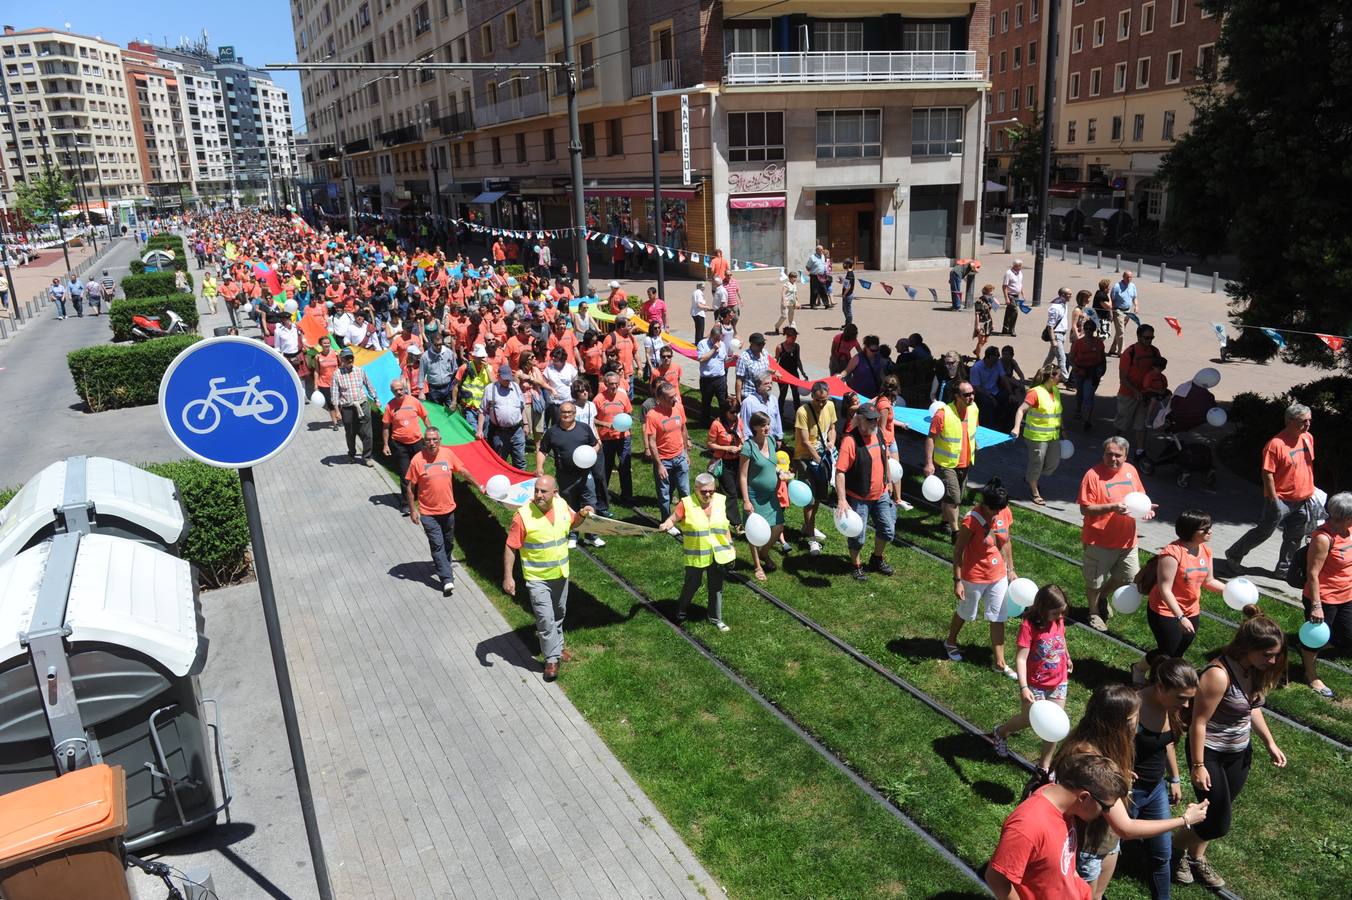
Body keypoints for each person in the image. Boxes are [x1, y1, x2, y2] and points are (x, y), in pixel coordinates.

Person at [1051, 684, 1210, 900]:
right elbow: (1126, 827)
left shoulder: (1102, 745)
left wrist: (1120, 774)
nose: (1140, 721)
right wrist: (1185, 819)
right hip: (1088, 846)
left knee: (1097, 896)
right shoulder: (1090, 760)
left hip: (1105, 840)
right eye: (1136, 715)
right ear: (1120, 722)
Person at [1175, 607, 1287, 889]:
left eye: (1275, 654)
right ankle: (1174, 848)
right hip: (1210, 752)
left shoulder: (1255, 670)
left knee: (1216, 809)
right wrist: (1198, 766)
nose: (1272, 660)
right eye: (1267, 654)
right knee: (1217, 821)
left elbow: (1252, 709)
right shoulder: (1218, 675)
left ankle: (1196, 858)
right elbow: (1198, 723)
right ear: (1249, 648)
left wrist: (1269, 742)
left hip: (1239, 752)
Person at [985, 753, 1128, 900]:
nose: (1106, 813)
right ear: (1084, 797)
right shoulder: (1027, 826)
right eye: (1105, 807)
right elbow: (996, 879)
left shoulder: (1065, 806)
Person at [502, 475, 593, 681]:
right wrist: (509, 577)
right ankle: (551, 660)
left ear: (555, 493)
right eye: (536, 490)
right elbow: (510, 546)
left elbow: (573, 522)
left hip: (561, 574)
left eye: (543, 491)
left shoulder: (561, 505)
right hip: (537, 579)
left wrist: (581, 513)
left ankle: (558, 648)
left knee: (558, 615)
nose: (538, 495)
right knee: (545, 619)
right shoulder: (523, 516)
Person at [1131, 510, 1227, 684]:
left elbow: (1209, 580)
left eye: (1210, 527)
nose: (1210, 532)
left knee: (1177, 652)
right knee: (1167, 652)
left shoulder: (1205, 550)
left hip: (1191, 610)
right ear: (1190, 530)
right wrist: (1180, 617)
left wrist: (1229, 591)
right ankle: (1142, 672)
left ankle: (1157, 678)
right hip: (1165, 610)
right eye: (1204, 529)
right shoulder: (1172, 553)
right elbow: (1164, 589)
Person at [1223, 402, 1317, 579]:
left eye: (1309, 421)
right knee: (1263, 532)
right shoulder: (1275, 444)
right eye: (1303, 421)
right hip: (1280, 500)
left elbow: (1307, 466)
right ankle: (1234, 555)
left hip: (1304, 499)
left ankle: (1284, 570)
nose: (1308, 424)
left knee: (1295, 537)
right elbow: (1267, 474)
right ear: (1290, 421)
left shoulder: (1308, 438)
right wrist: (1274, 500)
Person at [1132, 657, 1201, 900]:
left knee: (1162, 855)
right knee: (1105, 851)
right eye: (1181, 698)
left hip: (1155, 789)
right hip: (1127, 791)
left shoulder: (1169, 708)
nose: (1186, 705)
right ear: (1161, 688)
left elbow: (1167, 742)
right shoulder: (1133, 709)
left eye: (1190, 698)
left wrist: (1174, 778)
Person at [992, 584, 1072, 771]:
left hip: (1059, 681)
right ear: (1043, 609)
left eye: (1062, 613)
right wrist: (1024, 687)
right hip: (1036, 684)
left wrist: (1066, 656)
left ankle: (1044, 765)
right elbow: (1021, 658)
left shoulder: (1058, 621)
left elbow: (1061, 638)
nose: (1060, 617)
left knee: (1054, 724)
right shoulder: (1028, 626)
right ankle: (1001, 732)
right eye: (1055, 613)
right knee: (1028, 719)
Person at [945, 477, 1017, 677]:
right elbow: (958, 550)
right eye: (994, 510)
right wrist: (957, 581)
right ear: (984, 504)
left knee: (998, 616)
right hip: (974, 576)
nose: (997, 514)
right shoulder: (971, 520)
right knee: (966, 612)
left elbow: (1006, 541)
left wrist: (1010, 568)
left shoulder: (1004, 511)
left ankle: (1000, 662)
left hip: (998, 574)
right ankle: (950, 641)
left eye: (1000, 509)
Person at [1079, 436, 1152, 631]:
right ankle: (1093, 613)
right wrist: (1112, 507)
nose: (1113, 459)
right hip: (1099, 540)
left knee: (1128, 577)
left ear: (1126, 456)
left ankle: (1103, 597)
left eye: (1118, 455)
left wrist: (1146, 509)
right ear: (1103, 454)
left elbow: (1140, 497)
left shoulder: (1131, 471)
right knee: (1094, 581)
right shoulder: (1092, 475)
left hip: (1128, 540)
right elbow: (1085, 509)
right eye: (1108, 454)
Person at [657, 473, 734, 631]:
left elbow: (724, 525)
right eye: (703, 491)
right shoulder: (686, 503)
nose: (707, 494)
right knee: (692, 584)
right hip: (696, 554)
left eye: (710, 491)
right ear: (696, 489)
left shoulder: (720, 501)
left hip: (718, 553)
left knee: (716, 586)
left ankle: (715, 618)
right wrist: (666, 524)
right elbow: (673, 519)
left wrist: (730, 545)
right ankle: (681, 610)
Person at [405, 427, 470, 597]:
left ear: (440, 440)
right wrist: (413, 510)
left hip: (448, 510)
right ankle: (447, 579)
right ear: (424, 441)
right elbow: (410, 488)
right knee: (437, 544)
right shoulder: (417, 460)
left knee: (448, 543)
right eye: (428, 440)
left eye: (435, 439)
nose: (432, 443)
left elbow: (462, 470)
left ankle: (444, 566)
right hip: (428, 513)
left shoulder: (448, 454)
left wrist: (479, 485)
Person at [1300, 491, 1352, 698]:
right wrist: (1316, 605)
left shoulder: (1350, 530)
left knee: (1347, 637)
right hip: (1324, 598)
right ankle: (1310, 675)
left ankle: (1305, 649)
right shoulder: (1323, 538)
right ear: (1347, 517)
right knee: (1315, 641)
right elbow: (1313, 574)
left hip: (1346, 594)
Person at [835, 404, 895, 581]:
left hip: (881, 493)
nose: (874, 422)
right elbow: (840, 472)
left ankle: (876, 559)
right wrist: (842, 500)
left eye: (875, 418)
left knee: (887, 529)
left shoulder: (878, 433)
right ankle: (856, 565)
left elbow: (885, 458)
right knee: (857, 537)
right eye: (870, 419)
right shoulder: (850, 441)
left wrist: (889, 481)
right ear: (859, 419)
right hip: (859, 497)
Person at [537, 400, 607, 547]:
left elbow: (596, 444)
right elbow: (543, 450)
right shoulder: (552, 432)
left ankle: (591, 536)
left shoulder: (584, 428)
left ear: (575, 414)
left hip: (585, 474)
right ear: (559, 413)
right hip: (565, 475)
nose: (566, 415)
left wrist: (591, 453)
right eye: (563, 412)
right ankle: (572, 534)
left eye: (569, 412)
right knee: (569, 505)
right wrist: (539, 467)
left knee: (589, 504)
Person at [740, 410, 791, 581]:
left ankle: (764, 552)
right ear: (755, 427)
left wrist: (780, 472)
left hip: (771, 494)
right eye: (763, 425)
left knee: (778, 526)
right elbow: (743, 476)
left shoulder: (770, 441)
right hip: (754, 495)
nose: (767, 428)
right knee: (754, 532)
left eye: (768, 424)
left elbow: (772, 465)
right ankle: (757, 566)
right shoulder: (748, 447)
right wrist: (746, 501)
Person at [925, 381, 980, 538]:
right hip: (946, 464)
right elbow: (930, 438)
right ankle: (956, 532)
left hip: (965, 463)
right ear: (957, 396)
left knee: (952, 497)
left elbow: (972, 429)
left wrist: (975, 443)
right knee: (954, 499)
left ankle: (944, 522)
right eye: (967, 395)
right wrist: (929, 463)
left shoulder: (974, 409)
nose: (971, 397)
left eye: (972, 393)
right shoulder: (943, 414)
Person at [1010, 363, 1066, 505]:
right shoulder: (1035, 392)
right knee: (1037, 464)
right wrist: (1017, 427)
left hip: (1053, 436)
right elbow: (1021, 410)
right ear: (1051, 377)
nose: (1062, 378)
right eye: (1059, 375)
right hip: (1036, 436)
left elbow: (1057, 412)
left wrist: (1063, 430)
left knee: (1053, 463)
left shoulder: (1056, 391)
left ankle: (1030, 477)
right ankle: (1035, 492)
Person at [793, 381, 836, 555]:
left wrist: (832, 442)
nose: (821, 404)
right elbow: (804, 441)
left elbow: (832, 428)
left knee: (818, 496)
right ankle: (812, 540)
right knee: (809, 500)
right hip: (805, 458)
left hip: (822, 457)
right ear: (812, 396)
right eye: (818, 400)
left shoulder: (830, 406)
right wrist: (819, 460)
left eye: (824, 400)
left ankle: (808, 527)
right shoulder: (802, 412)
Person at [645, 381, 692, 527]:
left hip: (680, 457)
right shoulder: (653, 415)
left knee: (685, 491)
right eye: (671, 397)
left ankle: (687, 520)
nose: (675, 399)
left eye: (675, 395)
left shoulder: (678, 407)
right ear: (661, 399)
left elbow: (683, 429)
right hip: (664, 461)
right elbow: (652, 441)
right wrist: (659, 465)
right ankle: (666, 521)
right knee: (665, 495)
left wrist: (685, 453)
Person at [383, 378, 429, 515]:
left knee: (422, 472)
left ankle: (423, 500)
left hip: (417, 443)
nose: (399, 392)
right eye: (395, 390)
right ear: (392, 392)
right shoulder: (389, 406)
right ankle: (406, 504)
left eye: (400, 389)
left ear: (404, 389)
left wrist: (431, 434)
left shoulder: (414, 401)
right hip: (399, 445)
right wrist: (385, 444)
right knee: (405, 475)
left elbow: (425, 417)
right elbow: (385, 426)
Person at [1113, 325, 1161, 457]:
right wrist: (1135, 391)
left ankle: (1140, 451)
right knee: (1122, 422)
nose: (1149, 340)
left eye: (1152, 338)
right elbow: (1123, 378)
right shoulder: (1130, 352)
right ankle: (1113, 444)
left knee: (1141, 424)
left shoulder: (1155, 352)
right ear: (1139, 337)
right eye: (1146, 338)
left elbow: (1157, 371)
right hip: (1128, 394)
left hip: (1145, 395)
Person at [595, 367, 634, 505]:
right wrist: (606, 425)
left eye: (616, 383)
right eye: (611, 384)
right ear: (605, 384)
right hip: (606, 439)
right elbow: (592, 419)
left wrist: (627, 427)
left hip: (624, 438)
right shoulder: (598, 399)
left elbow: (628, 413)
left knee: (625, 466)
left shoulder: (623, 396)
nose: (614, 386)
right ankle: (603, 497)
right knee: (605, 468)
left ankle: (627, 496)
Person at [331, 347, 376, 464]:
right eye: (347, 358)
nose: (349, 360)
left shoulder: (360, 370)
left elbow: (369, 385)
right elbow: (335, 394)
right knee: (350, 433)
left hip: (362, 405)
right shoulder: (337, 374)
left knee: (367, 433)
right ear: (342, 359)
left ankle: (367, 457)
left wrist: (375, 398)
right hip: (347, 408)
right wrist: (337, 411)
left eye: (351, 357)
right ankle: (351, 453)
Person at [480, 364, 528, 470]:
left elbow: (522, 407)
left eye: (509, 378)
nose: (508, 381)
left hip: (517, 431)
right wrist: (480, 430)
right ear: (498, 376)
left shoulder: (515, 387)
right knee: (500, 462)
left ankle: (520, 484)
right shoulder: (490, 389)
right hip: (499, 432)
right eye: (505, 379)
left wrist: (526, 424)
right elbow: (482, 411)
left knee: (520, 461)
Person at [706, 399, 744, 529]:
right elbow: (710, 444)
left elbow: (742, 436)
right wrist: (727, 448)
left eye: (737, 412)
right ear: (725, 411)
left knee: (736, 489)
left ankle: (717, 509)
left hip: (737, 460)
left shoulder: (738, 422)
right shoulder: (717, 424)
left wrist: (741, 445)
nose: (735, 415)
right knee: (731, 492)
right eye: (732, 412)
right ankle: (736, 523)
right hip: (723, 462)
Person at [1069, 323, 1107, 432]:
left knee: (1088, 394)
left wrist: (1102, 370)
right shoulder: (1078, 343)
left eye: (1091, 329)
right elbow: (1071, 358)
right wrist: (1076, 369)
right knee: (1080, 393)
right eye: (1086, 329)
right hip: (1080, 372)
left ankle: (1088, 419)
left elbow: (1102, 358)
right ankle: (1078, 409)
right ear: (1084, 330)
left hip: (1093, 372)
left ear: (1094, 330)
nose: (1088, 331)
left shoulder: (1099, 343)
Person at [452, 344, 492, 433]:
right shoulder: (464, 368)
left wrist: (487, 369)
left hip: (484, 409)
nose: (481, 359)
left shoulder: (489, 369)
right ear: (473, 357)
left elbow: (494, 384)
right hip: (469, 408)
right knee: (473, 432)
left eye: (483, 357)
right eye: (479, 357)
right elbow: (455, 385)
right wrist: (454, 401)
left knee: (484, 434)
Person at [697, 322, 729, 426]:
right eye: (716, 339)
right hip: (707, 379)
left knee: (723, 402)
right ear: (711, 336)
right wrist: (714, 349)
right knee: (706, 402)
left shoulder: (722, 344)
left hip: (720, 378)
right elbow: (702, 359)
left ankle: (725, 423)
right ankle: (704, 423)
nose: (718, 341)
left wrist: (732, 359)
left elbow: (724, 360)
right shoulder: (702, 344)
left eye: (719, 339)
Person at [739, 372, 783, 444]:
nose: (770, 386)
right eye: (766, 384)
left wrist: (779, 437)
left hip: (772, 440)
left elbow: (777, 418)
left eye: (771, 383)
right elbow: (744, 425)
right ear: (758, 386)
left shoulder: (773, 399)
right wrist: (748, 443)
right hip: (755, 442)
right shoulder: (748, 402)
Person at [774, 326, 806, 415]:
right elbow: (776, 361)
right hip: (783, 375)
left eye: (795, 338)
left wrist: (803, 373)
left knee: (796, 394)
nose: (794, 340)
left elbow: (798, 360)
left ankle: (798, 413)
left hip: (794, 374)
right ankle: (780, 414)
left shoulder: (796, 346)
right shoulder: (780, 347)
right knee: (783, 394)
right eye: (793, 338)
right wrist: (774, 372)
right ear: (787, 337)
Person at [843, 334, 886, 399]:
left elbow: (881, 373)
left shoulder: (879, 357)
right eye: (872, 350)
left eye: (876, 350)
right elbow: (846, 371)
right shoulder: (857, 358)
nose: (874, 352)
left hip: (874, 394)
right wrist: (840, 375)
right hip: (858, 394)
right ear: (866, 348)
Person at [734, 332, 770, 400]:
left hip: (764, 394)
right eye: (759, 344)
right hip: (750, 396)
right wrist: (738, 400)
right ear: (752, 344)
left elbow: (766, 369)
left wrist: (773, 372)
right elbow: (739, 380)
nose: (762, 346)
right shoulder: (744, 358)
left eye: (763, 344)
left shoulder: (765, 353)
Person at [1109, 271, 1138, 356]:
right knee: (1121, 331)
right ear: (1123, 277)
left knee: (1120, 331)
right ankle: (1121, 352)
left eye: (1130, 277)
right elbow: (1111, 299)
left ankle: (1113, 349)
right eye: (1127, 277)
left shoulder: (1132, 286)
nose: (1129, 279)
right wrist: (1111, 312)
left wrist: (1136, 306)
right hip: (1118, 311)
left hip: (1128, 311)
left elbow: (1134, 297)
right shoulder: (1117, 286)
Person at [1044, 287, 1071, 374]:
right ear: (1062, 295)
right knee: (1062, 358)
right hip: (1056, 335)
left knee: (1050, 358)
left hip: (1062, 334)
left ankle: (1042, 374)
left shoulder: (1064, 304)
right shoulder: (1055, 307)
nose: (1071, 296)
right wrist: (1053, 340)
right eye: (1069, 294)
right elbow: (1050, 326)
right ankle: (1065, 378)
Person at [1000, 258, 1024, 336]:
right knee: (1015, 311)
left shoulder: (1020, 273)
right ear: (1015, 266)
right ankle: (1011, 329)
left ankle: (1005, 328)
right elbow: (1004, 286)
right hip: (1010, 295)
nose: (1021, 267)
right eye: (1019, 266)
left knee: (1009, 312)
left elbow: (1020, 283)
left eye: (1021, 266)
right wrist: (1006, 298)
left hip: (1016, 295)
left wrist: (1022, 293)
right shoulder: (1008, 273)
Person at [973, 283, 997, 358]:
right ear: (985, 293)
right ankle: (978, 357)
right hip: (981, 323)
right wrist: (977, 325)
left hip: (988, 322)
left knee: (986, 340)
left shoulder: (990, 301)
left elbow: (989, 312)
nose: (992, 295)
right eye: (990, 294)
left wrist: (992, 323)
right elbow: (977, 314)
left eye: (992, 294)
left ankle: (976, 350)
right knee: (980, 341)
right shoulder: (979, 302)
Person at [806, 244, 830, 309]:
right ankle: (813, 305)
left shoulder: (823, 256)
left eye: (822, 249)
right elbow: (808, 267)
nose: (822, 250)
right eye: (821, 249)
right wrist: (814, 271)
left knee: (824, 290)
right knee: (814, 291)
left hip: (822, 276)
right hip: (814, 276)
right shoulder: (812, 257)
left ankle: (826, 304)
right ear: (817, 250)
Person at [689, 280, 708, 345]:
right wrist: (707, 307)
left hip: (695, 313)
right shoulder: (699, 292)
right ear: (701, 286)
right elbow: (699, 305)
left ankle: (698, 343)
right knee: (700, 330)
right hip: (699, 313)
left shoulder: (695, 292)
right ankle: (699, 344)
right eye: (704, 286)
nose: (704, 288)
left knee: (698, 329)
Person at [840, 257, 856, 326]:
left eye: (844, 264)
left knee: (848, 311)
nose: (843, 265)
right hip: (847, 294)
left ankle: (849, 325)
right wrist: (842, 281)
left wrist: (844, 294)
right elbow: (847, 283)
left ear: (848, 264)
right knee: (844, 309)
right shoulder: (849, 273)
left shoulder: (850, 274)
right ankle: (847, 323)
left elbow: (848, 287)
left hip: (848, 295)